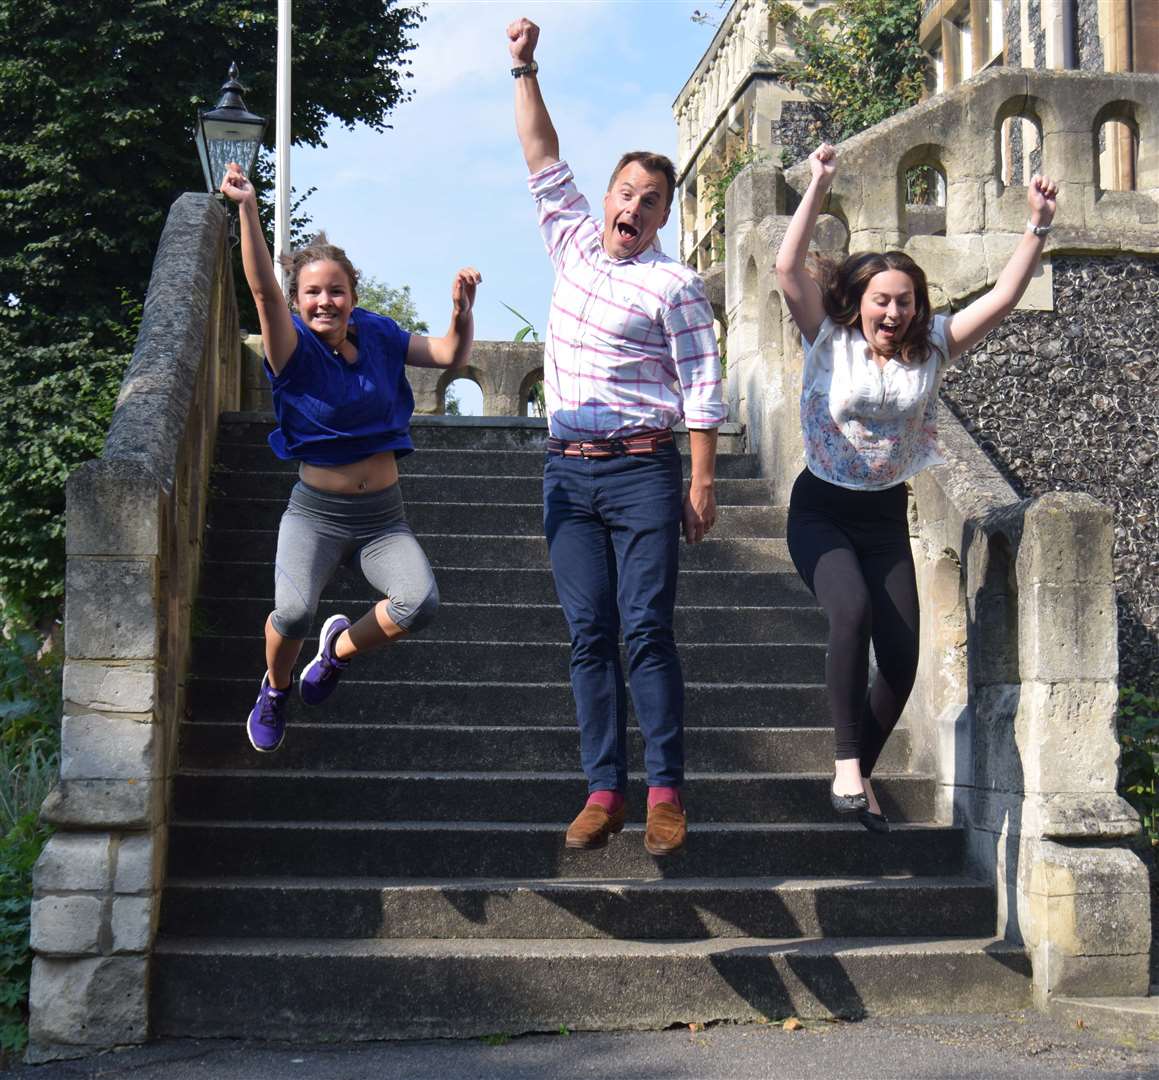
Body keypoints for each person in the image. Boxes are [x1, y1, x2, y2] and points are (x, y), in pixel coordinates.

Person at [775, 143, 1057, 831]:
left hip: (881, 518)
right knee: (850, 614)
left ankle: (860, 775)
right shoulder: (827, 339)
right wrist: (818, 184)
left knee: (901, 659)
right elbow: (786, 267)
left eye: (903, 301)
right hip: (821, 512)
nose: (892, 313)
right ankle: (845, 767)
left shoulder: (932, 345)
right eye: (880, 301)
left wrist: (1037, 227)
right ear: (859, 303)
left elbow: (1003, 297)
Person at [507, 17, 728, 856]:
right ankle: (603, 790)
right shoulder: (569, 244)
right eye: (625, 193)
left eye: (651, 200)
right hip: (567, 473)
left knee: (645, 629)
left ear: (665, 214)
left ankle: (664, 791)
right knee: (588, 634)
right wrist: (523, 68)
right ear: (605, 197)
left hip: (642, 472)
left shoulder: (675, 286)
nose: (633, 207)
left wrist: (700, 483)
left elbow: (703, 386)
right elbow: (540, 156)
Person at [219, 162, 481, 753]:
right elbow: (261, 287)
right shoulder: (291, 347)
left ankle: (334, 653)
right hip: (315, 513)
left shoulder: (380, 333)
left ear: (353, 296)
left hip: (382, 518)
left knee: (419, 604)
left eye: (336, 290)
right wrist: (247, 208)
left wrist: (461, 313)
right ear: (296, 300)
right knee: (289, 613)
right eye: (312, 292)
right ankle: (276, 689)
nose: (325, 301)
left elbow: (446, 353)